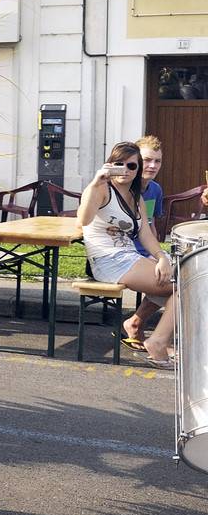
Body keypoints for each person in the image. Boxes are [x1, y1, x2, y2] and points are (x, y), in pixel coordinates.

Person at [78, 141, 176, 367]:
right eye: (118, 164)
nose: (125, 170)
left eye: (131, 166)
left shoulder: (137, 198)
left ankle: (148, 332)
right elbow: (83, 220)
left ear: (138, 170)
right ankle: (158, 342)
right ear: (109, 165)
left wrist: (161, 256)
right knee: (184, 286)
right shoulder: (101, 190)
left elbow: (146, 235)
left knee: (184, 279)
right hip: (107, 260)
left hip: (128, 257)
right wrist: (94, 183)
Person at [124, 135, 167, 345]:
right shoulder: (123, 186)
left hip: (146, 249)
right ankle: (152, 334)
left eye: (157, 161)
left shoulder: (155, 189)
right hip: (125, 253)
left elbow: (150, 224)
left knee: (181, 273)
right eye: (147, 160)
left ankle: (136, 322)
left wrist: (160, 253)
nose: (152, 165)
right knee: (171, 282)